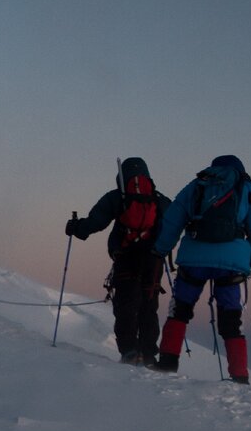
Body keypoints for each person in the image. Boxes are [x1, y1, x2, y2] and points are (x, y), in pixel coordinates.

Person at [150, 155, 251, 383]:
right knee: (231, 319)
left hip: (193, 258)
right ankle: (239, 377)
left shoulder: (197, 185)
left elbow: (173, 219)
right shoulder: (249, 189)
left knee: (179, 311)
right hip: (232, 263)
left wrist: (161, 248)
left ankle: (167, 363)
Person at [65, 157, 171, 366]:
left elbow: (96, 222)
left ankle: (129, 352)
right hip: (154, 260)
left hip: (126, 256)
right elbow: (173, 225)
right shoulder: (159, 199)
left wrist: (77, 228)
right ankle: (149, 354)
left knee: (126, 305)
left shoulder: (118, 197)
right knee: (149, 306)